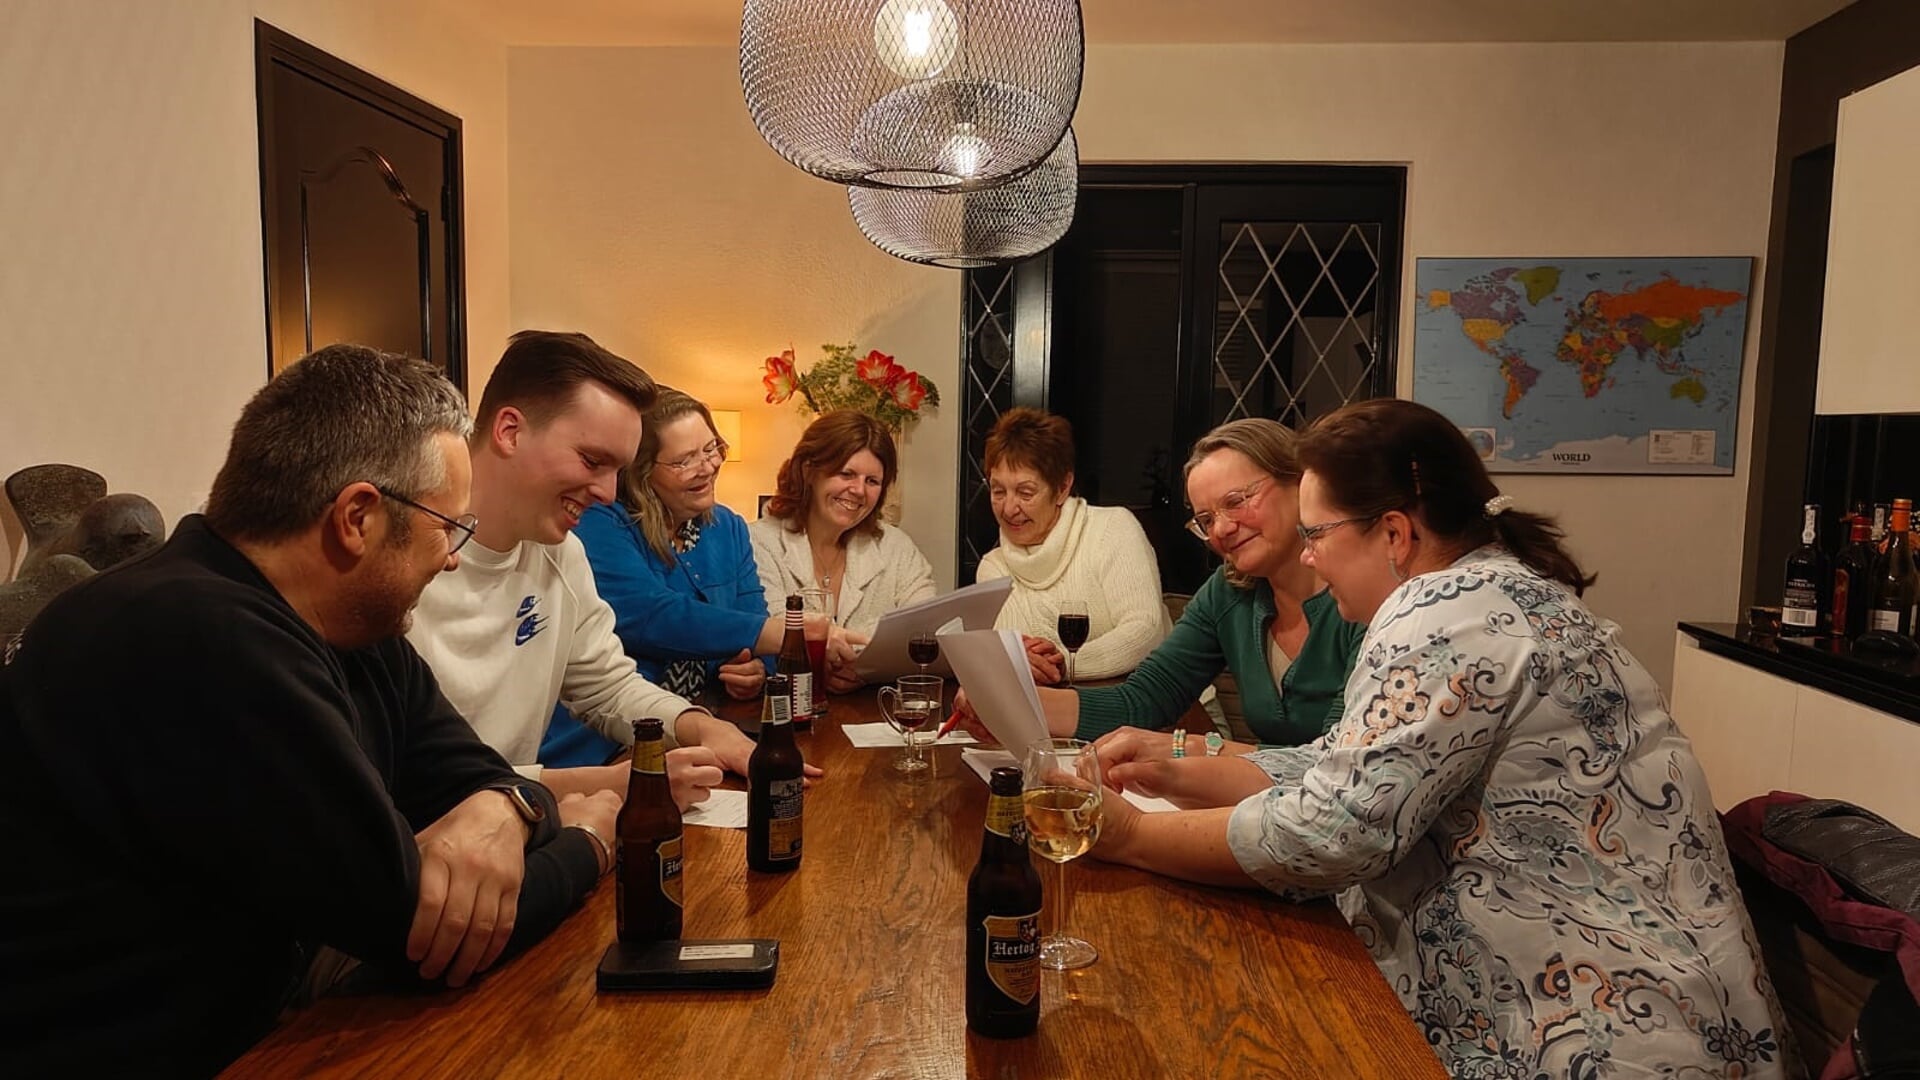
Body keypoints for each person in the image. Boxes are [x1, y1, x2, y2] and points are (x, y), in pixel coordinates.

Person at [1091, 398, 1794, 1078]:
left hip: (1603, 1030)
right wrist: (1181, 764)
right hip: (1660, 1005)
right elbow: (1350, 767)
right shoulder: (1492, 587)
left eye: (1317, 536)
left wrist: (1125, 836)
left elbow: (1336, 833)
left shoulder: (1442, 612)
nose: (1309, 561)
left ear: (1394, 533)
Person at [0, 345, 618, 1075]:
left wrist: (506, 805)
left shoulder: (351, 624)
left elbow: (471, 775)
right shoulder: (201, 636)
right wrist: (587, 840)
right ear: (357, 516)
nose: (452, 557)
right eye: (448, 528)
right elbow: (416, 927)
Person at [408, 331, 786, 804]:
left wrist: (701, 727)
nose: (608, 493)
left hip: (517, 829)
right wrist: (605, 783)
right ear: (510, 431)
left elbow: (607, 685)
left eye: (618, 471)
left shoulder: (562, 553)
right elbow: (410, 779)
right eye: (592, 460)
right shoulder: (402, 564)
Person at [954, 418, 1365, 749]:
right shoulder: (1229, 590)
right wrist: (1007, 700)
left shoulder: (1369, 598)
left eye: (1237, 501)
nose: (1223, 528)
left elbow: (1335, 761)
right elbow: (1143, 699)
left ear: (1300, 483)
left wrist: (1188, 752)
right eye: (1205, 520)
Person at [544, 387, 815, 767]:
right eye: (685, 460)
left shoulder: (728, 528)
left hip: (705, 736)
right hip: (609, 744)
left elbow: (755, 630)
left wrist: (751, 672)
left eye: (711, 448)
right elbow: (648, 615)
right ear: (642, 472)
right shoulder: (601, 521)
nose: (709, 466)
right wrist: (772, 633)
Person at [975, 407, 1167, 684]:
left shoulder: (1112, 530)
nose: (1009, 508)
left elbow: (1145, 631)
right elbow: (1015, 658)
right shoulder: (993, 569)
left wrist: (1066, 664)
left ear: (1063, 487)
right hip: (1059, 712)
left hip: (1165, 706)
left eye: (1025, 492)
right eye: (998, 491)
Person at [750, 409, 935, 692]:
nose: (859, 490)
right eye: (846, 473)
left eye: (872, 481)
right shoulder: (759, 542)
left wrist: (864, 668)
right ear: (808, 471)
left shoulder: (896, 547)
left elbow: (924, 627)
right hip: (784, 714)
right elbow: (767, 627)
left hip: (873, 714)